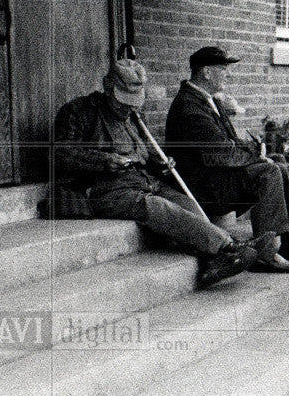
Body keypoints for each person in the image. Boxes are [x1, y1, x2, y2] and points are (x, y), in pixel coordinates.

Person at [53, 59, 275, 288]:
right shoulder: (78, 111)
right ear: (107, 86)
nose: (129, 108)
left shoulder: (132, 116)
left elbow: (147, 153)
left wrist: (159, 162)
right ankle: (229, 248)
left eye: (134, 102)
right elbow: (60, 155)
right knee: (160, 207)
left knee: (187, 204)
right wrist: (103, 160)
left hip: (142, 180)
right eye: (123, 102)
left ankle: (217, 260)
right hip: (103, 189)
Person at [164, 46, 289, 273]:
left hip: (217, 177)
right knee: (268, 171)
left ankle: (288, 244)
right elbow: (222, 155)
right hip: (204, 189)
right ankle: (265, 255)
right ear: (206, 72)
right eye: (223, 69)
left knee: (277, 162)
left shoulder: (208, 100)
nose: (228, 74)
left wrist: (258, 153)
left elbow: (232, 144)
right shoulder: (189, 108)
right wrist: (257, 154)